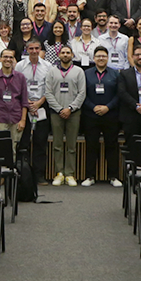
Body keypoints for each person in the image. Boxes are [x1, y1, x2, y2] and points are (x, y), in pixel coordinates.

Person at [82, 46, 122, 187]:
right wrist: (93, 107)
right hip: (90, 115)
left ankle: (113, 176)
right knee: (91, 146)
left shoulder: (115, 74)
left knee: (112, 146)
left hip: (110, 115)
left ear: (108, 58)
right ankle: (90, 176)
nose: (101, 58)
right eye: (98, 56)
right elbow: (82, 94)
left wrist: (108, 107)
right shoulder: (86, 74)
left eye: (104, 56)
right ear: (94, 58)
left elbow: (119, 94)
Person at [46, 44, 85, 186]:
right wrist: (59, 109)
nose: (66, 55)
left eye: (68, 52)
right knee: (57, 144)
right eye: (63, 52)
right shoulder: (52, 71)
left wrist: (70, 108)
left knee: (71, 145)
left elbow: (82, 93)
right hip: (56, 112)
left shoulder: (79, 71)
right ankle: (59, 173)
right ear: (59, 55)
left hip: (73, 112)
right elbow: (48, 92)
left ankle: (70, 174)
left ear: (72, 55)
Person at [17, 39, 53, 182]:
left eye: (36, 48)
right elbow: (17, 86)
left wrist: (39, 103)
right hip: (24, 107)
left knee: (40, 142)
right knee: (23, 142)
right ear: (27, 50)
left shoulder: (48, 66)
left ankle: (39, 175)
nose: (34, 51)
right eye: (31, 48)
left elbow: (50, 88)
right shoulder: (20, 66)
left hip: (42, 106)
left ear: (40, 49)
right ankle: (22, 175)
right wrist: (27, 104)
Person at [0, 49, 29, 153]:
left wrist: (23, 120)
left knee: (13, 149)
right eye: (5, 57)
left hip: (16, 118)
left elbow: (24, 101)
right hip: (0, 118)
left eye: (11, 57)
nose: (8, 59)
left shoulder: (20, 77)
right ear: (0, 59)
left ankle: (11, 169)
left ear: (14, 60)